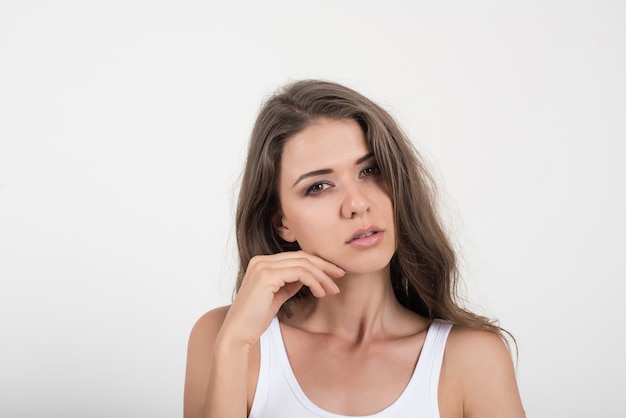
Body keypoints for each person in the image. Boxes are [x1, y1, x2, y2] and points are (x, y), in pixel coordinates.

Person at [183, 80, 525, 418]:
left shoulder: (472, 358)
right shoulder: (223, 337)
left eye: (371, 170)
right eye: (319, 186)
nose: (357, 204)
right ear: (281, 221)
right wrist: (233, 345)